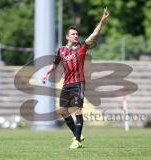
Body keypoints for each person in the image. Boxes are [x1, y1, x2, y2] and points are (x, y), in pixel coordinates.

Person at [41, 8, 109, 149]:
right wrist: (46, 73)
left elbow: (94, 34)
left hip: (79, 83)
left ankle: (77, 141)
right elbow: (54, 64)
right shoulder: (61, 50)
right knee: (62, 110)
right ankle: (77, 134)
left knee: (77, 110)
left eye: (77, 34)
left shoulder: (82, 48)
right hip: (67, 84)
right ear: (67, 37)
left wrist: (102, 20)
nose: (76, 36)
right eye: (73, 34)